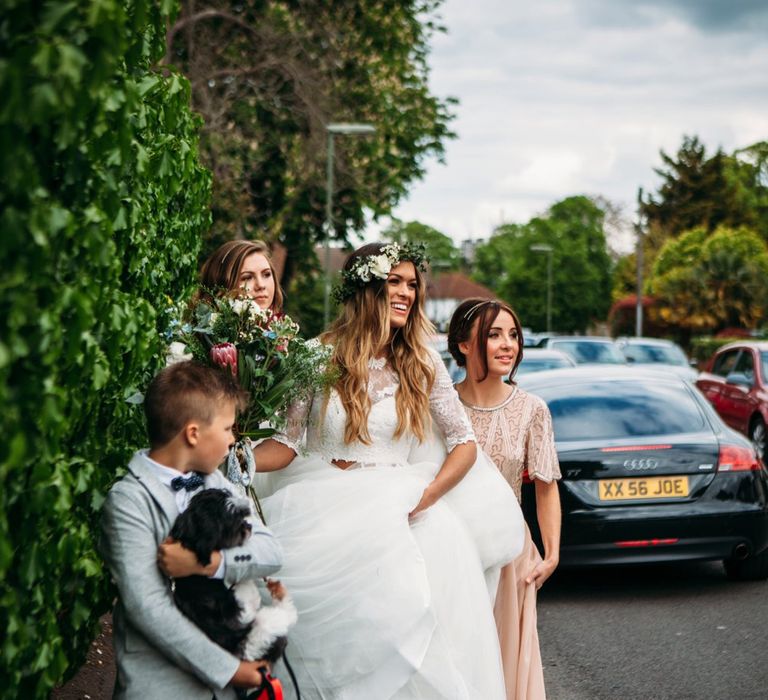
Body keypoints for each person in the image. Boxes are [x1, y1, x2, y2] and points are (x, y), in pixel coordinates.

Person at [249, 242, 524, 699]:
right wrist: (231, 457)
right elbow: (286, 444)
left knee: (408, 641)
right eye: (394, 281)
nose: (406, 293)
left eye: (412, 284)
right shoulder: (317, 356)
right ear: (366, 287)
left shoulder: (423, 362)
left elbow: (463, 443)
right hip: (321, 512)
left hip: (402, 517)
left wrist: (428, 496)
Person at [100, 361, 284, 699]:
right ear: (194, 433)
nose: (233, 440)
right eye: (228, 429)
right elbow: (147, 607)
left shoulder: (218, 483)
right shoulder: (128, 500)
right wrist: (229, 670)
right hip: (164, 684)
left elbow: (271, 551)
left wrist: (211, 563)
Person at [448, 298, 562, 700]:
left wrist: (551, 554)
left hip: (511, 555)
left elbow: (546, 485)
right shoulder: (441, 404)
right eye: (494, 334)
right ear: (463, 344)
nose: (507, 344)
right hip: (452, 548)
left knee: (504, 660)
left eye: (513, 335)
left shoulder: (533, 409)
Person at [198, 239, 284, 311]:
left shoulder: (280, 329)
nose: (261, 285)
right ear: (223, 285)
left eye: (266, 274)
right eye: (247, 278)